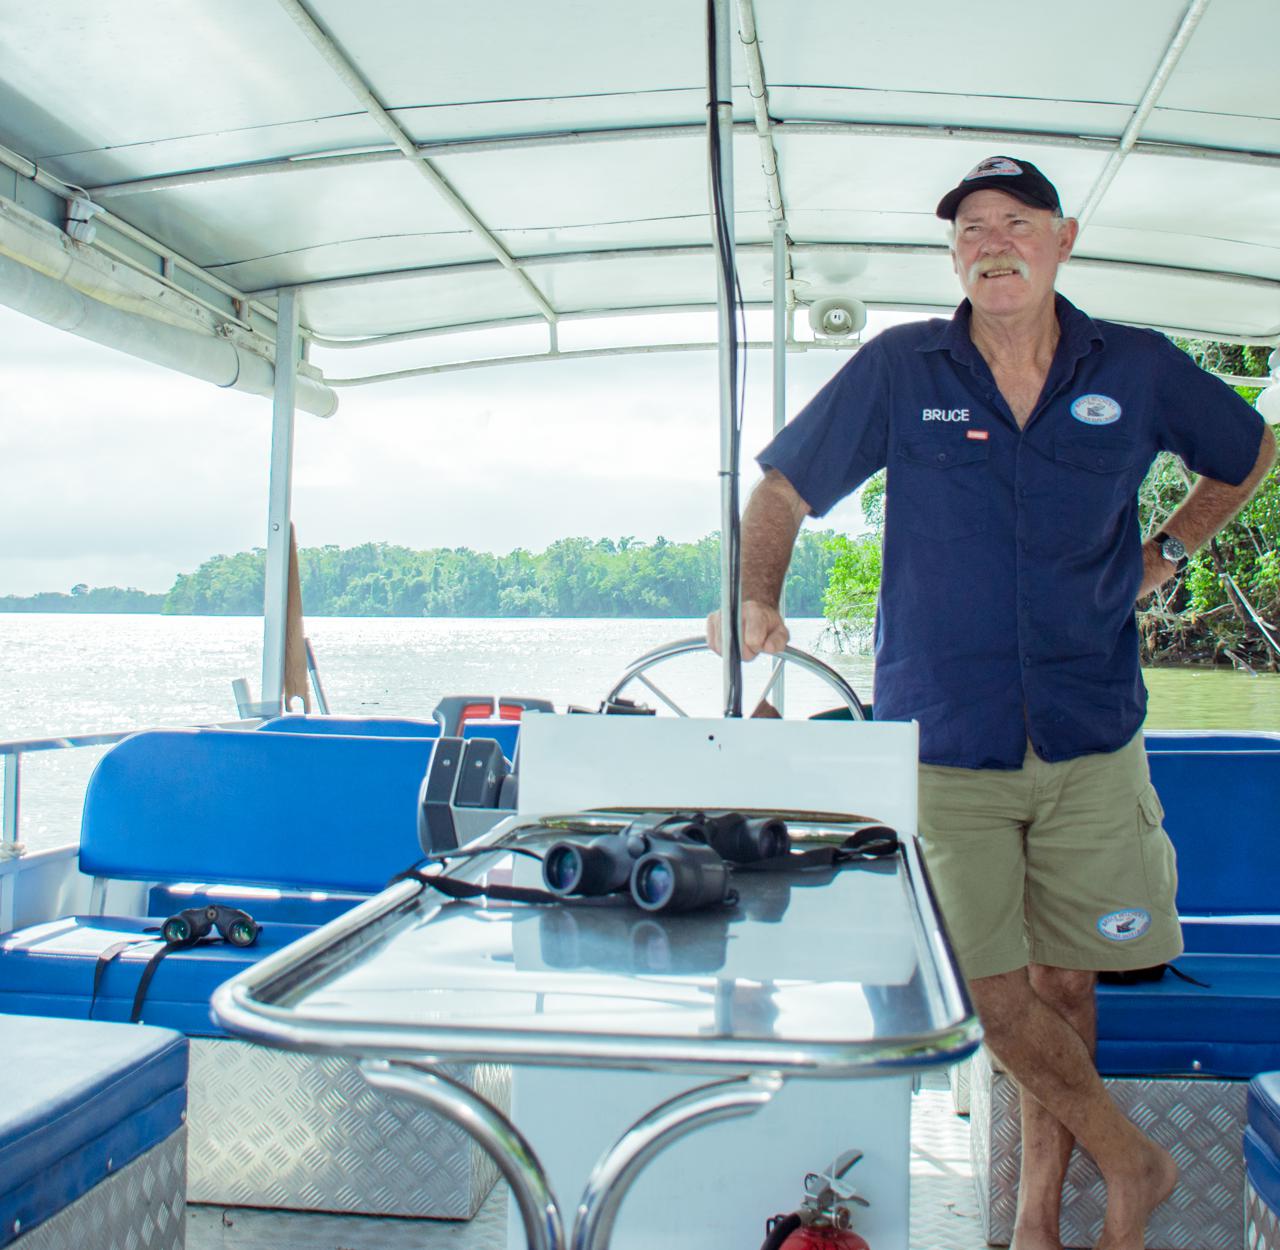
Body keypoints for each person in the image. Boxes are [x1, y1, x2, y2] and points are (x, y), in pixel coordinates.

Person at [707, 155, 1276, 1250]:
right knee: (980, 977)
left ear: (1063, 240)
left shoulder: (1141, 368)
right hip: (943, 733)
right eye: (970, 228)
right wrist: (753, 595)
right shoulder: (898, 366)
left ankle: (1031, 1223)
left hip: (1089, 725)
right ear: (954, 254)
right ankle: (1130, 1156)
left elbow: (1247, 449)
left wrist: (1168, 549)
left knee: (1067, 976)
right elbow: (779, 487)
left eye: (1015, 221)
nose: (990, 240)